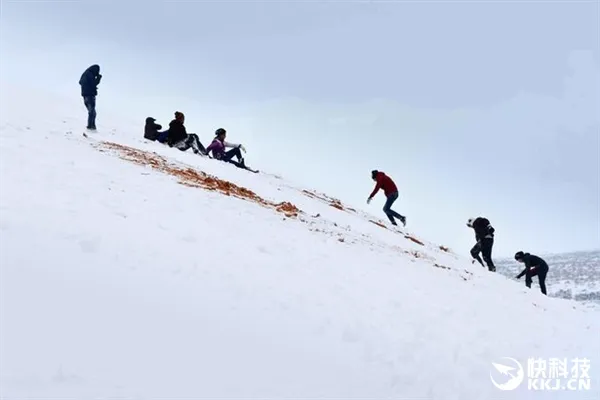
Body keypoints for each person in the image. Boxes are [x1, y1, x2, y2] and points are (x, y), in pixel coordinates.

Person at [79, 64, 102, 130]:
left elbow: (81, 82)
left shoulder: (85, 74)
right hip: (90, 95)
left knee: (92, 112)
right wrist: (98, 78)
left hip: (85, 95)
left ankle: (91, 126)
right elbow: (93, 83)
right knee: (92, 112)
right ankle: (91, 127)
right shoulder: (89, 74)